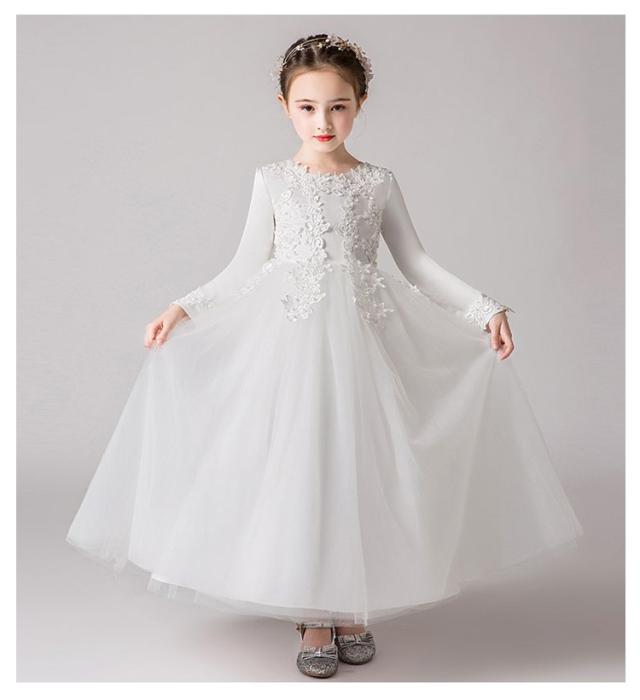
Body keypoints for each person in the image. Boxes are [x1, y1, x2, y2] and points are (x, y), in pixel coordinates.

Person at [66, 33, 584, 679]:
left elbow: (416, 263)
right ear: (284, 106)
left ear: (360, 104)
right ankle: (313, 610)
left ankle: (350, 603)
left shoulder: (377, 182)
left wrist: (485, 308)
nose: (323, 121)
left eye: (338, 107)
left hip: (364, 346)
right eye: (307, 107)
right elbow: (244, 266)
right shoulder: (273, 181)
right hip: (289, 347)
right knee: (301, 467)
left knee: (360, 465)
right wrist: (182, 308)